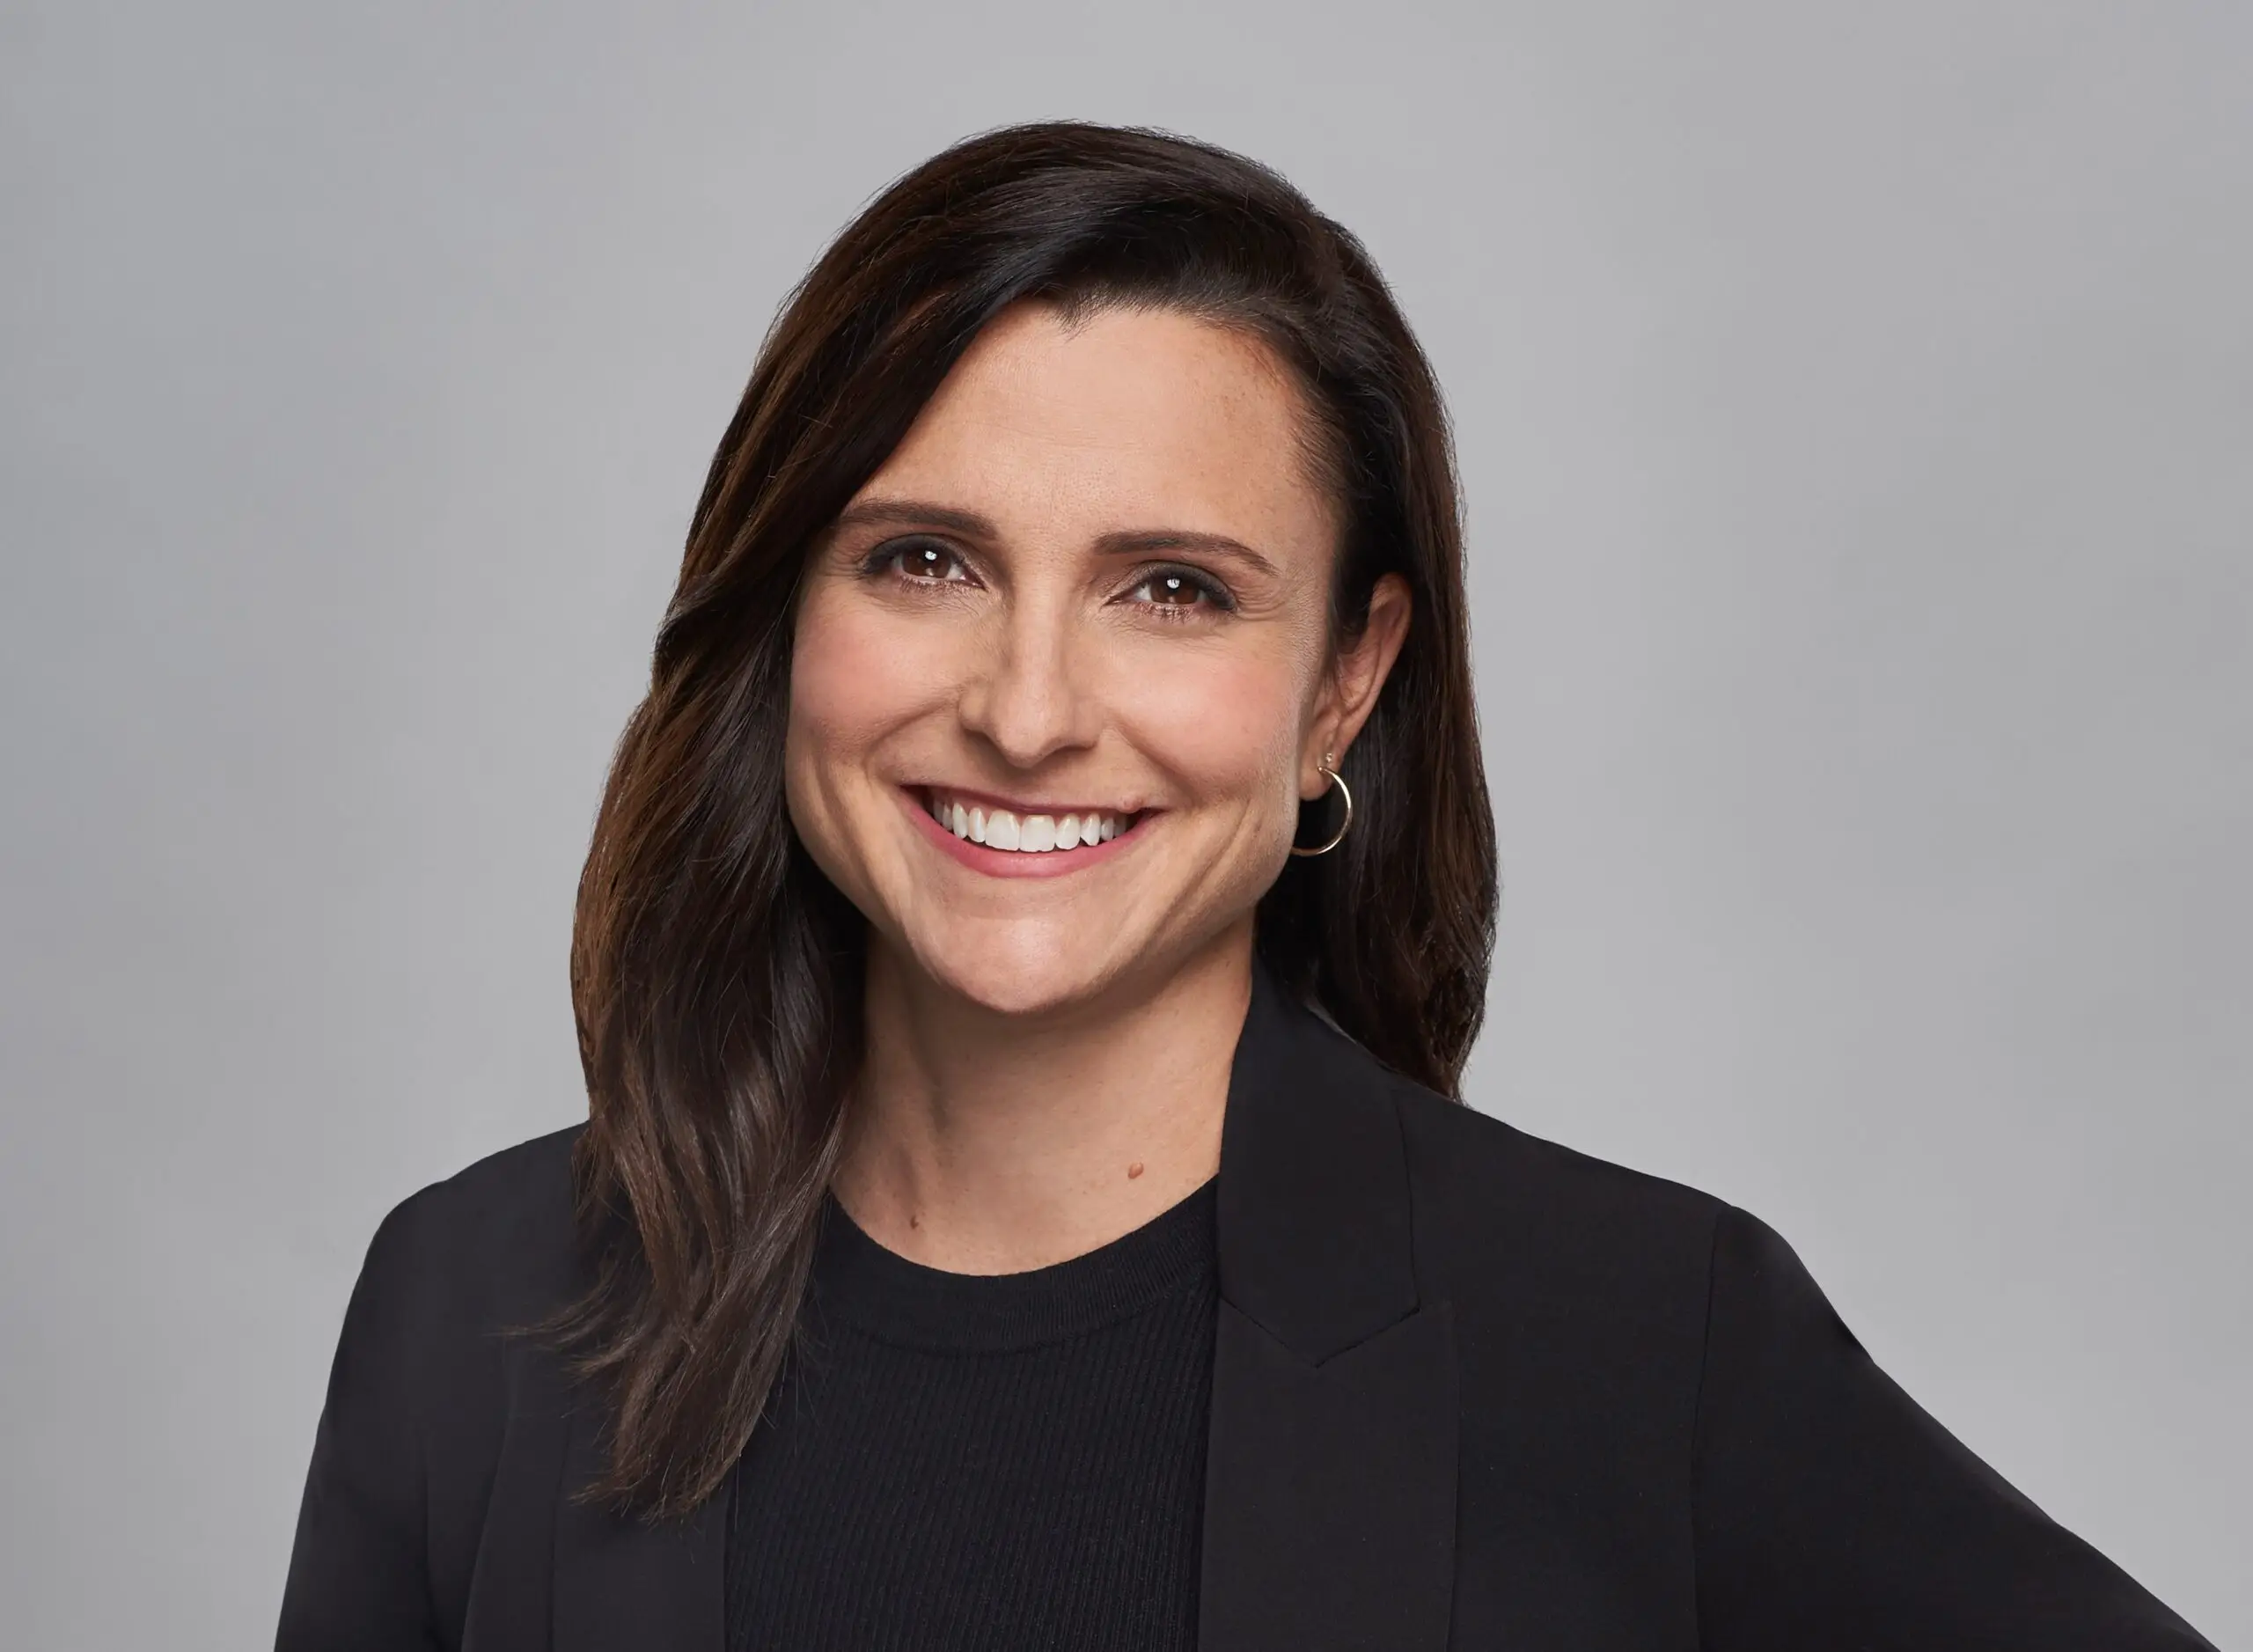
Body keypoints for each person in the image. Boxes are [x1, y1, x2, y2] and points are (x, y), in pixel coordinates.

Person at [275, 122, 2215, 1652]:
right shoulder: (471, 1310)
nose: (1027, 709)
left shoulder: (1629, 1338)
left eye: (1173, 589)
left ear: (1343, 686)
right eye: (924, 560)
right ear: (785, 612)